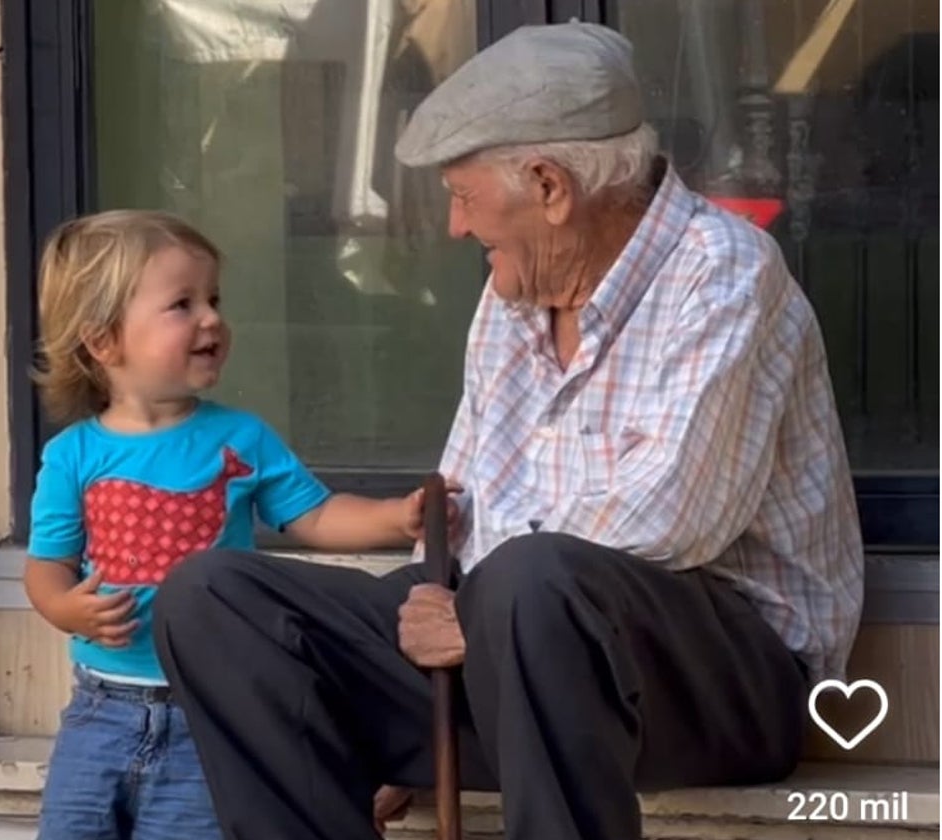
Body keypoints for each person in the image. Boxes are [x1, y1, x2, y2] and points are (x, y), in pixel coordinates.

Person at [152, 22, 864, 840]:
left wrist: (475, 603)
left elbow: (669, 517)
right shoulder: (513, 294)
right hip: (517, 657)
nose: (455, 226)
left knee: (533, 580)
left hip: (725, 682)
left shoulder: (723, 270)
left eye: (464, 195)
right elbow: (468, 504)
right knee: (214, 599)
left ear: (550, 186)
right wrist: (426, 605)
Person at [23, 209, 456, 840]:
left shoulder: (240, 437)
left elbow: (313, 515)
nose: (212, 320)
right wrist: (65, 608)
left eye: (214, 299)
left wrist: (398, 516)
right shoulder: (74, 456)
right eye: (182, 304)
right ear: (103, 341)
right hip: (100, 714)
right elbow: (45, 564)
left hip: (212, 716)